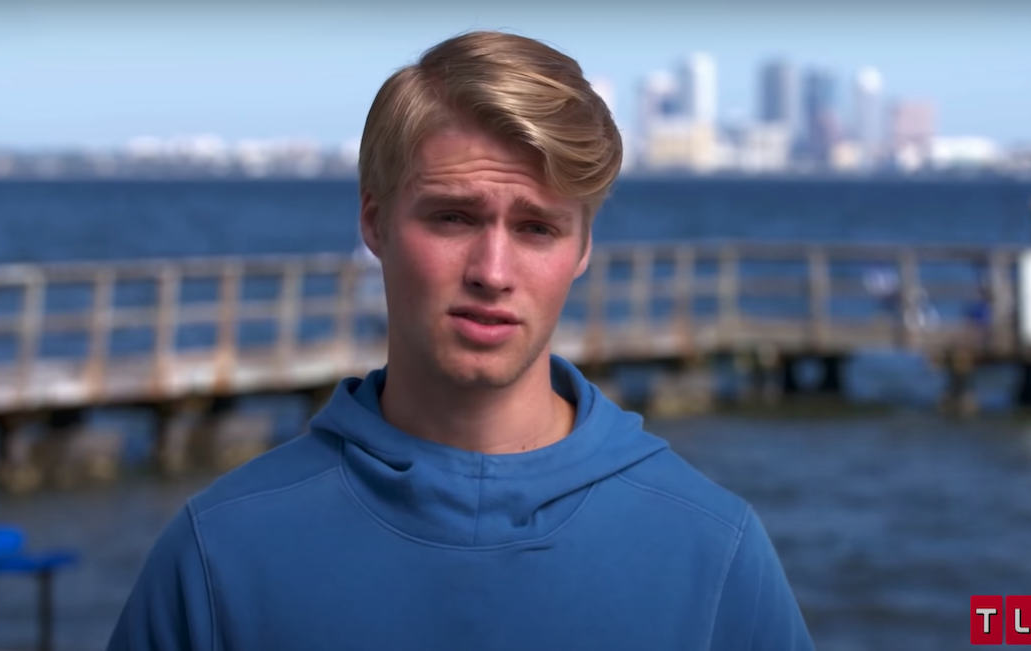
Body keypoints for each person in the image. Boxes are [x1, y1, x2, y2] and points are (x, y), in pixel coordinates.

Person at [108, 31, 814, 651]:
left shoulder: (714, 553)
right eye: (452, 217)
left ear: (584, 247)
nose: (493, 273)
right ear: (374, 222)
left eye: (537, 227)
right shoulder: (217, 556)